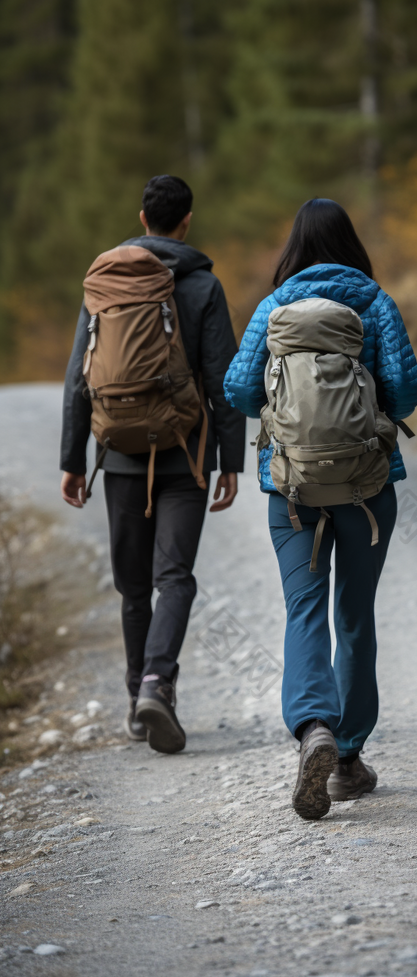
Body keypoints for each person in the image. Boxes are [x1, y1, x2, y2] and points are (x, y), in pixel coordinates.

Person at [225, 198, 417, 819]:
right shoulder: (375, 301)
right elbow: (406, 390)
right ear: (351, 243)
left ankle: (313, 728)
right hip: (366, 486)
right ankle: (347, 759)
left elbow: (237, 390)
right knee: (355, 616)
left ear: (295, 246)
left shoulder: (274, 306)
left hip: (291, 487)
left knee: (304, 608)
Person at [60, 174, 246, 753]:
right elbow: (223, 379)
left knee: (133, 587)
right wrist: (229, 460)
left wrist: (72, 459)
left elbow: (78, 378)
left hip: (116, 454)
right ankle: (157, 684)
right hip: (185, 454)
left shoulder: (105, 281)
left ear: (143, 219)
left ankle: (136, 702)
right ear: (185, 221)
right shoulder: (203, 285)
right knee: (175, 579)